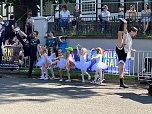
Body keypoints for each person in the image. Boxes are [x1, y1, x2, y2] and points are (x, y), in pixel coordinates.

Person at [116, 18, 138, 88]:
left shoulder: (131, 39)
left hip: (124, 53)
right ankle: (123, 23)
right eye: (135, 33)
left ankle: (121, 83)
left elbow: (128, 47)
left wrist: (132, 50)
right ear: (133, 31)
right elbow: (125, 29)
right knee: (119, 37)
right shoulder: (127, 34)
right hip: (121, 48)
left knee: (122, 68)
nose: (135, 35)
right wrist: (125, 24)